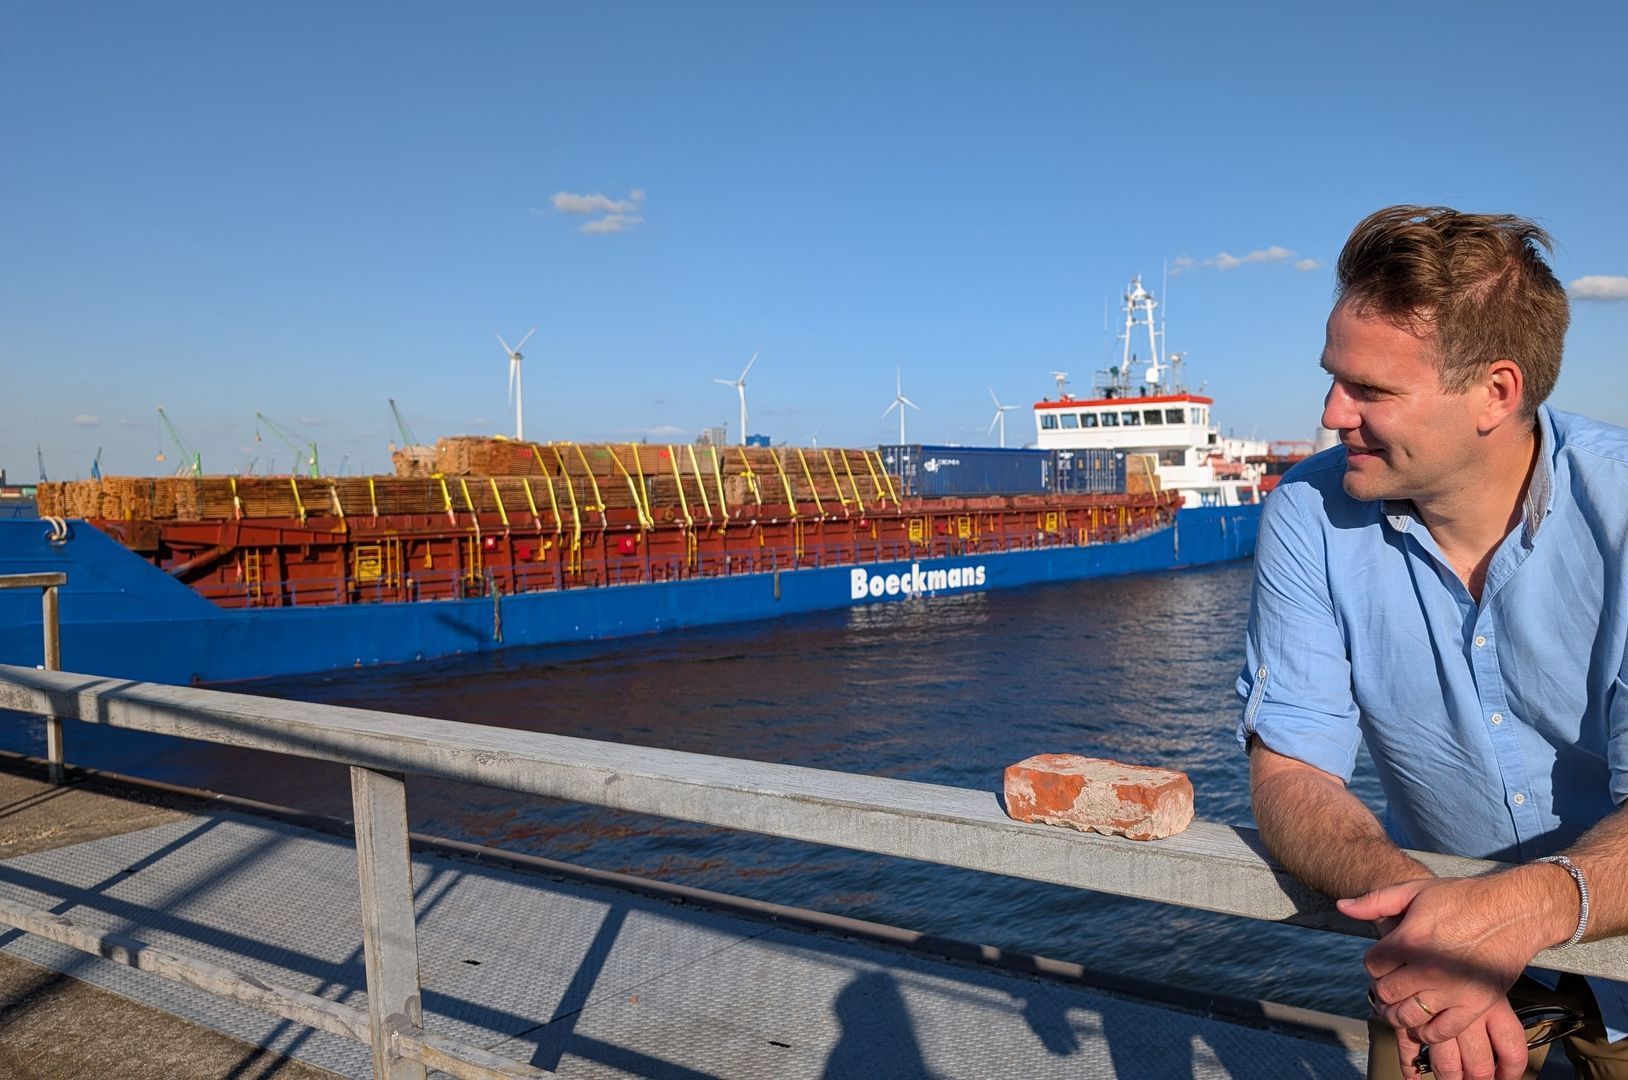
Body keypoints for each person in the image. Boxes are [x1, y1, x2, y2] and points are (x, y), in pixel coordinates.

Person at [1237, 204, 1628, 1080]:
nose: (1331, 413)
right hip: (1428, 957)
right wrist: (1431, 922)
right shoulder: (1309, 513)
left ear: (1497, 391)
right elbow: (1292, 772)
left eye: (1370, 390)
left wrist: (1522, 909)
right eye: (1335, 378)